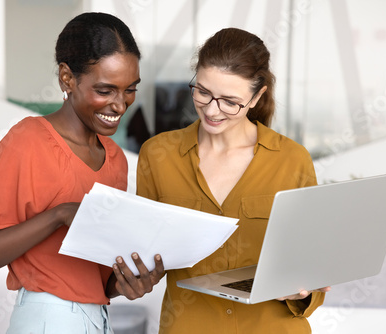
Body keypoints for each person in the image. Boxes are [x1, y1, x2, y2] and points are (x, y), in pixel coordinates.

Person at [0, 12, 164, 334]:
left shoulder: (116, 159)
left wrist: (128, 283)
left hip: (99, 321)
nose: (120, 105)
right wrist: (59, 215)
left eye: (129, 89)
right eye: (106, 90)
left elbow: (94, 282)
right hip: (47, 320)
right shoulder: (28, 142)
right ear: (67, 78)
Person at [136, 28, 329, 333]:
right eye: (202, 92)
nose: (212, 110)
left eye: (230, 101)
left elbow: (313, 264)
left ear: (257, 97)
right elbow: (145, 254)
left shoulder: (292, 159)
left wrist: (303, 290)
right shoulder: (157, 155)